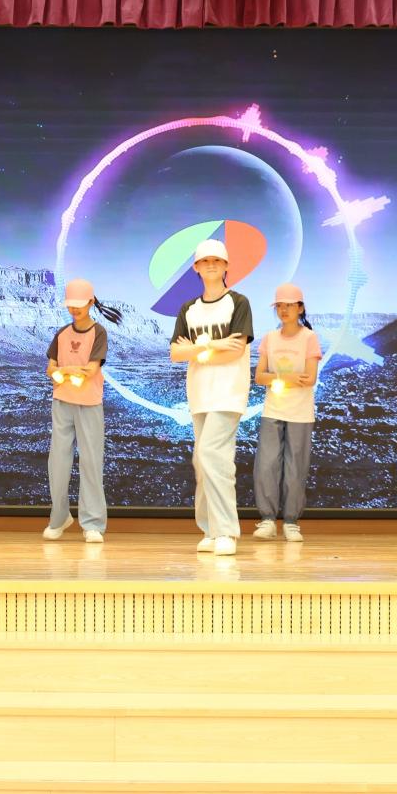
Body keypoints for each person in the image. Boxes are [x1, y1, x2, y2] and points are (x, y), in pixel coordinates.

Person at [170, 239, 254, 557]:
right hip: (199, 394)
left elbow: (236, 350)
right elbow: (176, 353)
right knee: (202, 460)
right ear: (196, 267)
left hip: (228, 393)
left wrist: (198, 350)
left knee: (212, 454)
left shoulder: (238, 302)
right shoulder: (188, 309)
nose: (210, 265)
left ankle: (226, 532)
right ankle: (209, 529)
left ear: (226, 266)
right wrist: (213, 346)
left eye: (216, 261)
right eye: (204, 261)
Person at [43, 279, 122, 543]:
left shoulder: (98, 332)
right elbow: (50, 370)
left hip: (89, 404)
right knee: (57, 462)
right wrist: (67, 371)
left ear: (90, 302)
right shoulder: (62, 334)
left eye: (79, 304)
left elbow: (91, 369)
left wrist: (64, 371)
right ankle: (59, 517)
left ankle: (93, 523)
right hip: (62, 402)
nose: (74, 309)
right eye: (70, 305)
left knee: (91, 462)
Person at [252, 283, 321, 544]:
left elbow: (310, 378)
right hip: (273, 410)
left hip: (300, 413)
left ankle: (291, 522)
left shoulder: (309, 338)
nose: (284, 310)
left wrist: (277, 377)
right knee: (266, 464)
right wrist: (289, 377)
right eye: (280, 305)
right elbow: (259, 376)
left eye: (289, 305)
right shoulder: (270, 338)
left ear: (300, 308)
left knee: (295, 467)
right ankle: (268, 520)